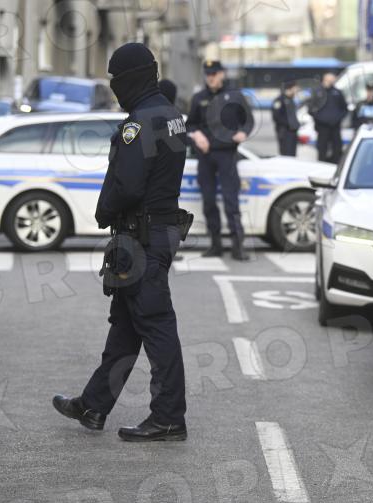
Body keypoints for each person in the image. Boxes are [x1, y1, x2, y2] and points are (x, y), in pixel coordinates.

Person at [52, 43, 191, 442]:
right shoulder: (170, 115)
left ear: (130, 79)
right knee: (127, 327)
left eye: (115, 79)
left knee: (156, 326)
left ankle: (168, 418)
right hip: (158, 232)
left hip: (141, 238)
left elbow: (127, 185)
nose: (113, 87)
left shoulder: (140, 124)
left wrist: (104, 211)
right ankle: (94, 405)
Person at [186, 60, 254, 260]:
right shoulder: (199, 98)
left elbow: (248, 121)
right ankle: (215, 244)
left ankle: (237, 245)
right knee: (208, 201)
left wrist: (243, 133)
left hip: (227, 154)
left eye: (214, 74)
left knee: (231, 200)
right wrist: (196, 135)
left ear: (222, 74)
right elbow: (190, 125)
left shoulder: (235, 96)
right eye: (208, 74)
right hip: (205, 156)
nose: (211, 78)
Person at [310, 72, 348, 164]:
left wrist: (337, 118)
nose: (331, 82)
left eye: (332, 80)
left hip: (335, 127)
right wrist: (321, 119)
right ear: (324, 80)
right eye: (329, 80)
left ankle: (336, 165)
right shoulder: (317, 92)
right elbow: (311, 109)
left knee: (337, 149)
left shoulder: (337, 92)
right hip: (322, 127)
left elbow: (344, 109)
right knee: (322, 149)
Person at [272, 81, 300, 156]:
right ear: (290, 88)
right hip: (284, 132)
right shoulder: (279, 100)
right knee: (286, 155)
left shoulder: (291, 100)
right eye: (295, 88)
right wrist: (289, 124)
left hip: (293, 132)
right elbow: (276, 117)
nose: (297, 90)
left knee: (292, 154)